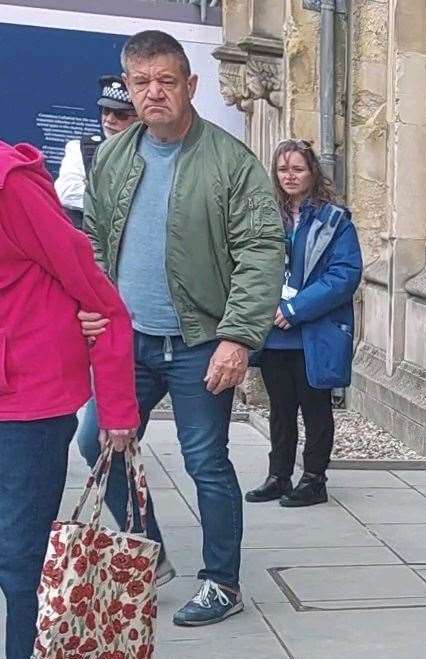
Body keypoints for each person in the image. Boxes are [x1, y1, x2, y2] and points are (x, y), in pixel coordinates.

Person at [74, 30, 284, 627]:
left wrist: (239, 338)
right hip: (128, 343)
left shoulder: (229, 162)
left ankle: (221, 581)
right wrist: (91, 302)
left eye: (166, 81)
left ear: (190, 85)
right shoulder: (113, 156)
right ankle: (149, 550)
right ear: (128, 87)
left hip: (199, 344)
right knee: (96, 443)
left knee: (206, 463)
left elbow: (262, 250)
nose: (153, 93)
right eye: (141, 83)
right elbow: (93, 240)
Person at [0, 140, 138, 659]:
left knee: (20, 552)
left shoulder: (13, 185)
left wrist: (116, 410)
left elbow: (98, 296)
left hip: (26, 402)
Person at [246, 139, 362, 508]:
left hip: (313, 332)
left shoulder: (335, 220)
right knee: (279, 410)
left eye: (298, 169)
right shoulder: (266, 215)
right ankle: (278, 476)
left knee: (315, 410)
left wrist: (296, 309)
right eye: (283, 169)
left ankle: (314, 479)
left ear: (312, 172)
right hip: (273, 334)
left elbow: (344, 275)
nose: (290, 176)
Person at [54, 75, 138, 228]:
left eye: (120, 114)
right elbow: (66, 193)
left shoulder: (150, 152)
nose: (109, 120)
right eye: (105, 111)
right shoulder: (80, 148)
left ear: (139, 118)